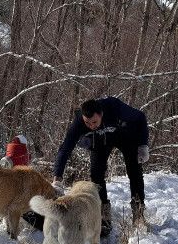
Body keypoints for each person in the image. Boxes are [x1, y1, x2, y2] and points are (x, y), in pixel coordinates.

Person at [53, 97, 150, 236]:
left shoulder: (115, 107)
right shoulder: (80, 120)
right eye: (87, 123)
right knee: (96, 172)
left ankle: (138, 211)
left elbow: (140, 117)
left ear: (102, 114)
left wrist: (143, 145)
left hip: (125, 135)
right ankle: (104, 211)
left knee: (134, 170)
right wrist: (57, 180)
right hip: (99, 141)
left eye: (94, 122)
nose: (91, 125)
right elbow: (65, 147)